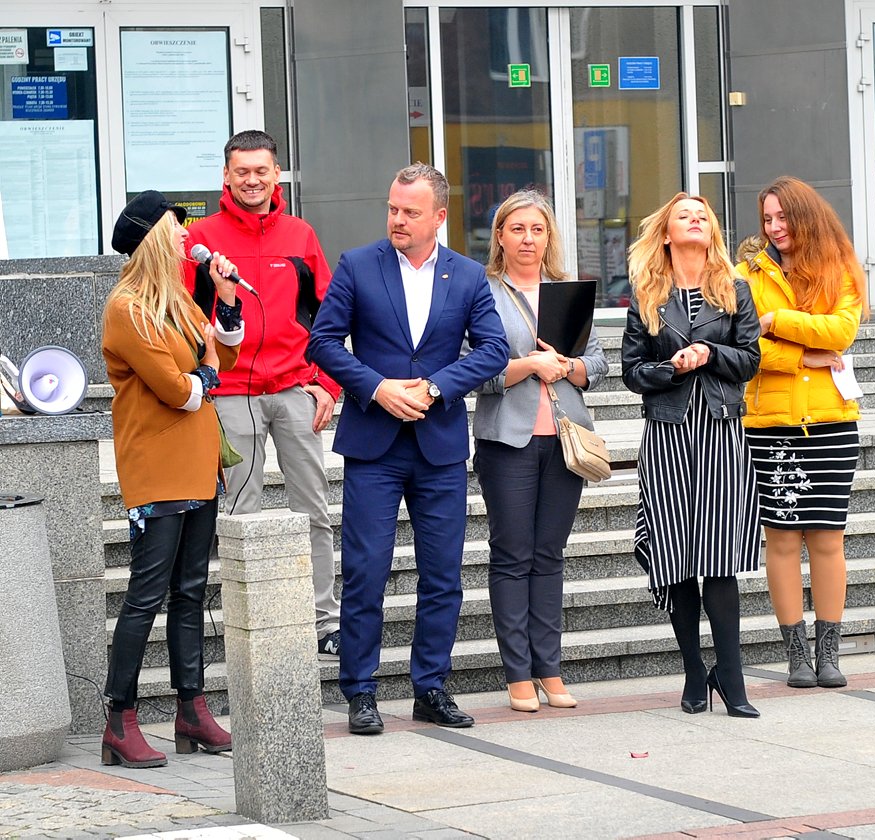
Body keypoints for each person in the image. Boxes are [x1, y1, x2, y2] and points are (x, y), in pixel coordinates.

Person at [307, 163, 508, 734]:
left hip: (438, 445)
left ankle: (431, 687)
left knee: (442, 574)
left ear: (438, 216)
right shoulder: (357, 265)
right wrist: (376, 387)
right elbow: (322, 341)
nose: (397, 219)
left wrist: (437, 386)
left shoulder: (467, 275)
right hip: (374, 445)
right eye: (393, 208)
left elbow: (493, 349)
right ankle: (360, 691)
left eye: (410, 212)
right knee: (366, 571)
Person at [186, 130, 342, 660]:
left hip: (295, 388)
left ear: (277, 174)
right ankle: (247, 627)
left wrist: (326, 383)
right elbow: (182, 315)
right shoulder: (201, 239)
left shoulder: (300, 235)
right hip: (230, 394)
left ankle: (323, 622)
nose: (252, 180)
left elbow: (329, 316)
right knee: (239, 513)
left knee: (313, 510)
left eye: (261, 171)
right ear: (226, 176)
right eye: (242, 172)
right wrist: (203, 381)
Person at [101, 190, 243, 767]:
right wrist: (205, 370)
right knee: (145, 596)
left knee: (190, 591)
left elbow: (223, 359)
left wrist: (225, 302)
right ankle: (120, 719)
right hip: (157, 468)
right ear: (154, 237)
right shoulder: (128, 308)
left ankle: (192, 710)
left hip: (199, 463)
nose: (187, 233)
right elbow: (180, 391)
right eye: (176, 225)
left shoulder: (177, 298)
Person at [621, 193, 762, 717]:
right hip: (668, 435)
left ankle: (733, 678)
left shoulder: (734, 289)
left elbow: (750, 359)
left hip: (722, 431)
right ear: (666, 234)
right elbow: (632, 371)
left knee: (720, 558)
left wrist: (710, 352)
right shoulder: (646, 295)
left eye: (703, 215)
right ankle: (693, 672)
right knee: (675, 558)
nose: (696, 219)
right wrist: (671, 369)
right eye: (685, 215)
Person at [472, 190, 609, 713]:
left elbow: (597, 362)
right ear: (500, 236)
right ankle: (518, 675)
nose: (528, 239)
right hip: (507, 439)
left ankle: (550, 669)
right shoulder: (482, 293)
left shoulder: (567, 290)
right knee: (513, 555)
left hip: (566, 439)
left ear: (549, 236)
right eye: (517, 229)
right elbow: (472, 370)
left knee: (549, 555)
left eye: (537, 229)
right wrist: (530, 365)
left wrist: (568, 366)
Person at [738, 176, 868, 690]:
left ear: (805, 216)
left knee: (828, 540)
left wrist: (776, 319)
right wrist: (801, 357)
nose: (774, 227)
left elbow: (841, 332)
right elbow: (744, 347)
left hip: (832, 421)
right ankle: (796, 656)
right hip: (770, 425)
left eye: (783, 217)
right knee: (782, 541)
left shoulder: (840, 267)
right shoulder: (746, 273)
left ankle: (829, 654)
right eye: (767, 219)